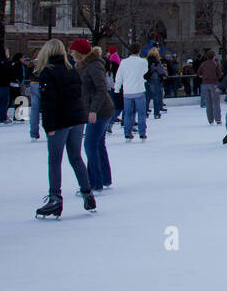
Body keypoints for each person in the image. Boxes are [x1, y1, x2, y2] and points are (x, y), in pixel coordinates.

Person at [34, 39, 97, 217]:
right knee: (76, 157)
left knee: (54, 160)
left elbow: (48, 102)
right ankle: (88, 194)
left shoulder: (48, 72)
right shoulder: (72, 70)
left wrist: (48, 126)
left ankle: (55, 198)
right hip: (76, 119)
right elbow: (78, 95)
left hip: (61, 121)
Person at [72, 39, 114, 192]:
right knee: (98, 144)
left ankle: (95, 182)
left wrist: (93, 110)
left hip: (100, 111)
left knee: (90, 145)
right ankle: (104, 178)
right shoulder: (86, 65)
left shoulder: (94, 65)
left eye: (72, 51)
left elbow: (101, 89)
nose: (71, 54)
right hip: (98, 110)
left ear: (79, 53)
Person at [113, 42, 150, 141]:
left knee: (128, 114)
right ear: (139, 50)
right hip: (139, 90)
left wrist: (117, 89)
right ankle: (142, 132)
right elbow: (145, 72)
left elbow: (119, 76)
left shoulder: (124, 62)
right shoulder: (143, 62)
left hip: (127, 92)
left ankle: (127, 133)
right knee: (141, 113)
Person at [196, 49, 223, 125]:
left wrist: (204, 77)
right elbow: (219, 74)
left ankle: (210, 120)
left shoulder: (203, 64)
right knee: (216, 102)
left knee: (208, 103)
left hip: (205, 84)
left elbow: (198, 73)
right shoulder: (216, 64)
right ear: (214, 56)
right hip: (214, 84)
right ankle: (218, 119)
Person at [146, 48, 167, 119]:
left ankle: (145, 112)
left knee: (147, 97)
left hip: (146, 80)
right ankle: (156, 113)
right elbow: (162, 71)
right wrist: (165, 75)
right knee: (156, 97)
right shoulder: (156, 62)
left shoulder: (146, 61)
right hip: (155, 80)